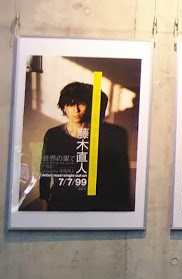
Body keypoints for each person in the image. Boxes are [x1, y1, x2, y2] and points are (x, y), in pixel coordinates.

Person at [33, 82, 131, 211]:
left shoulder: (114, 134)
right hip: (62, 202)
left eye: (81, 103)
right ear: (64, 107)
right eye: (70, 104)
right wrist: (44, 200)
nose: (76, 110)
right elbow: (46, 171)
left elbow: (121, 176)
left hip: (99, 204)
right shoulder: (53, 135)